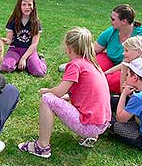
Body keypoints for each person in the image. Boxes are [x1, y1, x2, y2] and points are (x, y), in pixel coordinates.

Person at [18, 27, 111, 158]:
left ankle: (41, 147)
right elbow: (86, 94)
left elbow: (59, 91)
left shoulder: (76, 65)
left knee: (47, 99)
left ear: (68, 48)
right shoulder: (93, 64)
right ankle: (91, 137)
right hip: (102, 124)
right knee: (59, 99)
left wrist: (48, 91)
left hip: (88, 125)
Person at [94, 4, 142, 93]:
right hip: (112, 61)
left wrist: (105, 73)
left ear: (124, 21)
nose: (111, 21)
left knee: (113, 81)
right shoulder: (111, 31)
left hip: (130, 68)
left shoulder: (141, 36)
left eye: (113, 19)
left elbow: (129, 63)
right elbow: (94, 49)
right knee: (95, 64)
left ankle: (98, 83)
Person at [109, 58, 142, 151]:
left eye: (127, 75)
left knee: (109, 121)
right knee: (123, 102)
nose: (126, 77)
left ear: (135, 77)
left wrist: (124, 93)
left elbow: (120, 119)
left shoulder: (140, 97)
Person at [0, 0, 47, 76]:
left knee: (39, 72)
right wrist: (5, 40)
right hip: (15, 50)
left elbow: (34, 44)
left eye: (29, 4)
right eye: (24, 4)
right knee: (4, 67)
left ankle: (40, 60)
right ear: (19, 6)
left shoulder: (36, 22)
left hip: (29, 51)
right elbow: (10, 40)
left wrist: (24, 58)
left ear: (33, 6)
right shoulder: (13, 20)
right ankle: (17, 62)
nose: (27, 7)